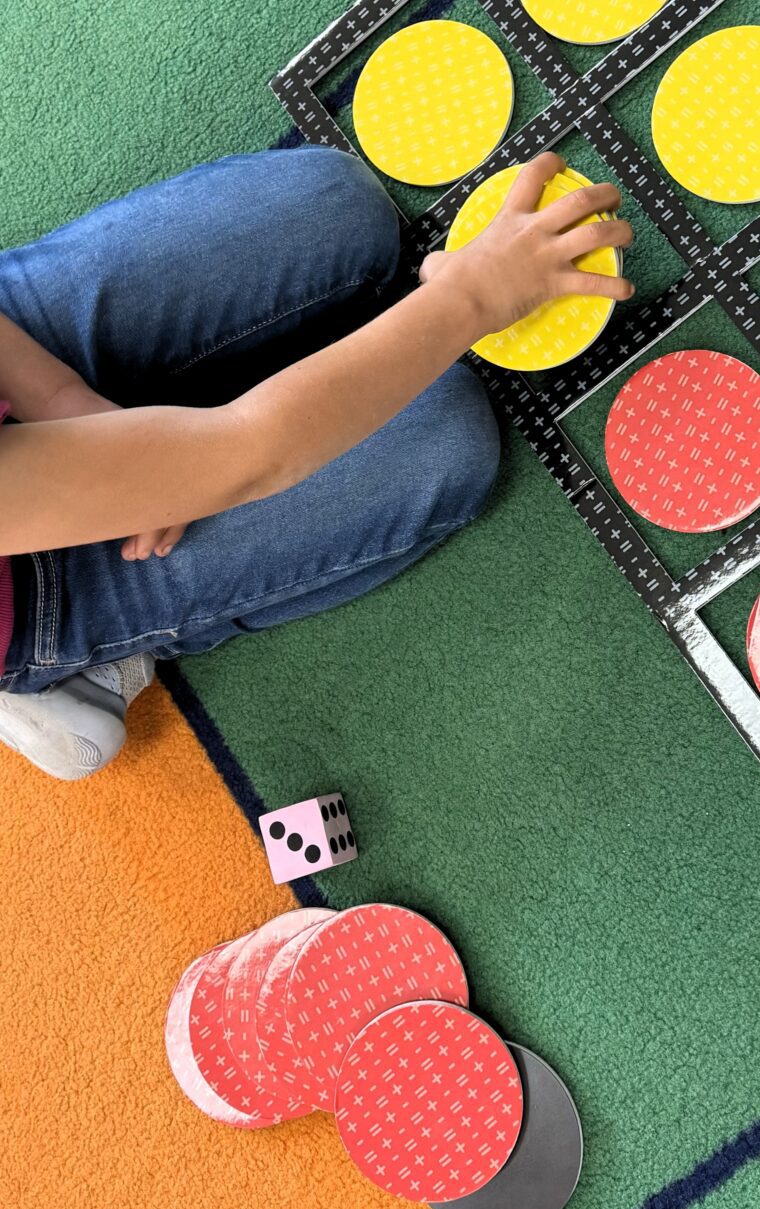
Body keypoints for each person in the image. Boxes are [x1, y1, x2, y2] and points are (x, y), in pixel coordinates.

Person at [0, 146, 633, 780]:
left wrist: (67, 401)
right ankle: (98, 656)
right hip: (35, 583)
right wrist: (472, 298)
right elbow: (250, 452)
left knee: (339, 201)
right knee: (445, 435)